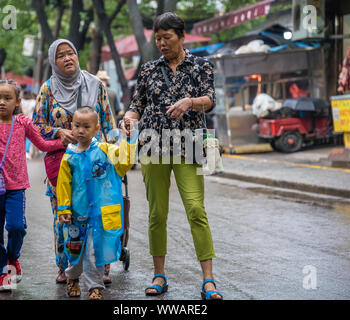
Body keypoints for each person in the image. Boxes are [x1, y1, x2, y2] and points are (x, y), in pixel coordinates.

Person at [120, 12, 223, 300]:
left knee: (196, 210)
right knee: (157, 213)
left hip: (189, 145)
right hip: (153, 144)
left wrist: (190, 102)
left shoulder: (201, 65)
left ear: (181, 36)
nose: (162, 43)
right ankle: (159, 274)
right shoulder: (149, 69)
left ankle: (209, 279)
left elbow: (210, 99)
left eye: (167, 38)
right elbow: (136, 104)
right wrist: (127, 119)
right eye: (158, 38)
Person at [33, 39, 116, 284]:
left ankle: (101, 266)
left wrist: (113, 155)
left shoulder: (95, 84)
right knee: (65, 216)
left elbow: (108, 125)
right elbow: (36, 126)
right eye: (61, 56)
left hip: (96, 164)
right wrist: (58, 132)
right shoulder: (48, 89)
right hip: (63, 164)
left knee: (99, 215)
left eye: (71, 53)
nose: (68, 58)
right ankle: (66, 266)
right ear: (53, 62)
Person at [0, 79, 66, 292]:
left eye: (8, 98)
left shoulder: (23, 123)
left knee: (16, 227)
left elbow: (42, 144)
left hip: (16, 186)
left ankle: (13, 257)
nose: (2, 102)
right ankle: (1, 274)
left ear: (17, 101)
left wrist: (64, 143)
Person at [56, 106, 135, 299]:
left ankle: (95, 286)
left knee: (96, 251)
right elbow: (63, 184)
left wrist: (128, 139)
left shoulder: (105, 150)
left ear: (96, 128)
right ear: (71, 126)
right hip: (77, 214)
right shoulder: (69, 156)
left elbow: (125, 162)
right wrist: (63, 208)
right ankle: (72, 278)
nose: (80, 130)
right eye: (77, 126)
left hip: (100, 214)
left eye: (86, 126)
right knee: (74, 250)